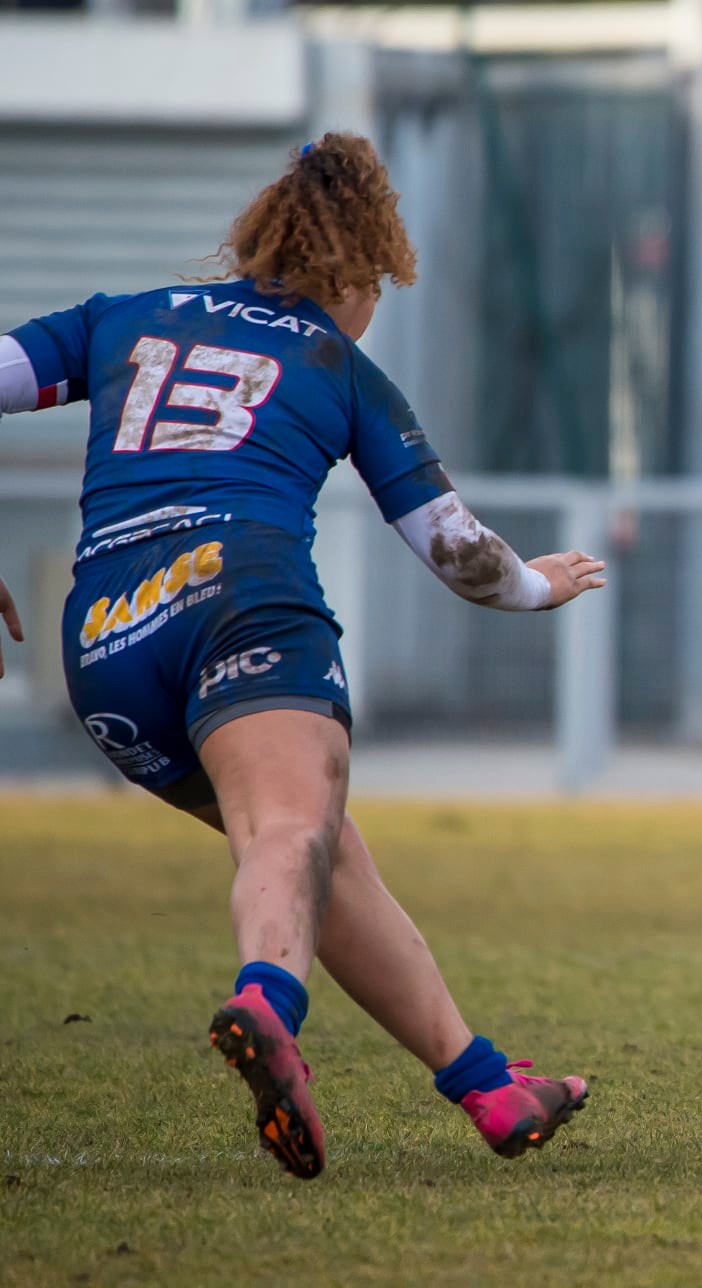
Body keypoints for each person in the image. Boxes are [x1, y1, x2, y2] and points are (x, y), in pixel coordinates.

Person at [0, 134, 602, 1180]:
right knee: (289, 832)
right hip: (244, 600)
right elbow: (460, 554)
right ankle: (267, 1005)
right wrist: (544, 582)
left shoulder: (118, 320)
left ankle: (490, 1087)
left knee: (325, 859)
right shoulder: (339, 363)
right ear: (357, 275)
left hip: (104, 642)